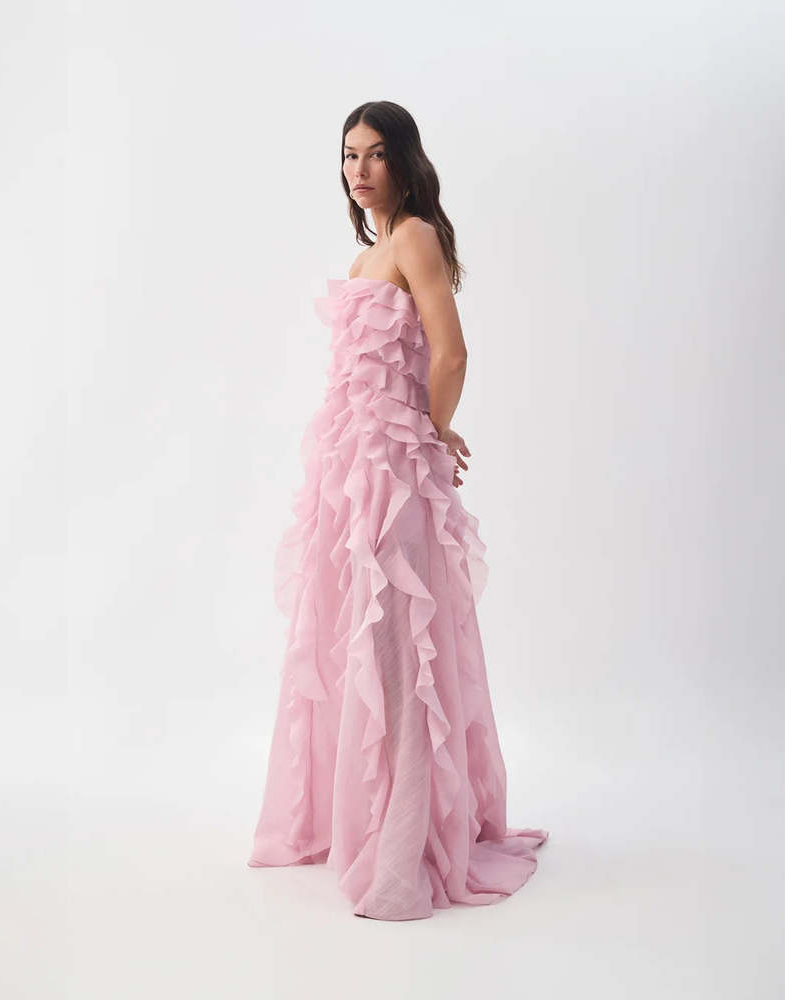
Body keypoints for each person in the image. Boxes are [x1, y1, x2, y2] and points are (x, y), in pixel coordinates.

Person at [247, 101, 548, 920]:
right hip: (352, 470)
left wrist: (430, 431)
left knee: (397, 649)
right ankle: (373, 821)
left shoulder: (413, 236)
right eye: (349, 155)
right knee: (360, 640)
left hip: (394, 474)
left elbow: (451, 353)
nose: (359, 170)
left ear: (404, 161)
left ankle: (406, 843)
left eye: (375, 154)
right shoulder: (369, 254)